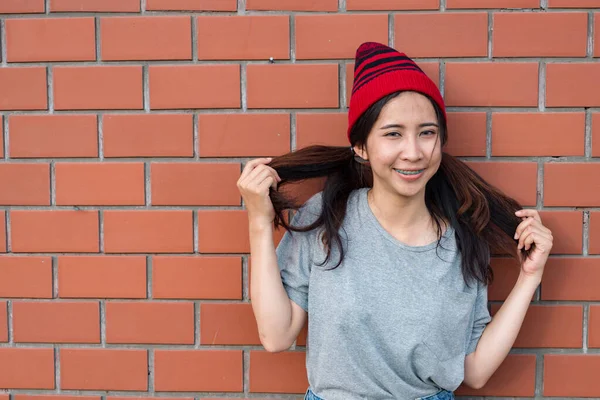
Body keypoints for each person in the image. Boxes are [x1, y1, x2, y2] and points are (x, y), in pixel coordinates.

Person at [237, 42, 553, 400]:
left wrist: (530, 277)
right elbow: (276, 336)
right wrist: (260, 222)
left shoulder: (463, 239)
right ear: (361, 147)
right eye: (393, 133)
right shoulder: (326, 217)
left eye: (427, 132)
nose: (414, 152)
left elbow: (475, 371)